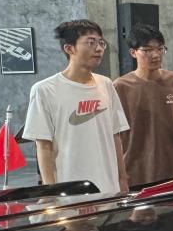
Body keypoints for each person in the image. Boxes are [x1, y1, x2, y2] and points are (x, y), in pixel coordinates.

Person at [24, 19, 130, 194]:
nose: (99, 48)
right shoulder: (44, 90)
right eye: (91, 42)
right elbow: (43, 146)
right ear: (69, 48)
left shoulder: (106, 84)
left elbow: (115, 136)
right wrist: (51, 191)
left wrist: (122, 179)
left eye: (101, 42)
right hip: (69, 191)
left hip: (108, 188)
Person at [113, 24, 173, 188]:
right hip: (136, 173)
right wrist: (119, 172)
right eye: (147, 50)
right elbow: (113, 133)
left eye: (160, 49)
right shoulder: (120, 86)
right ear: (133, 52)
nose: (155, 55)